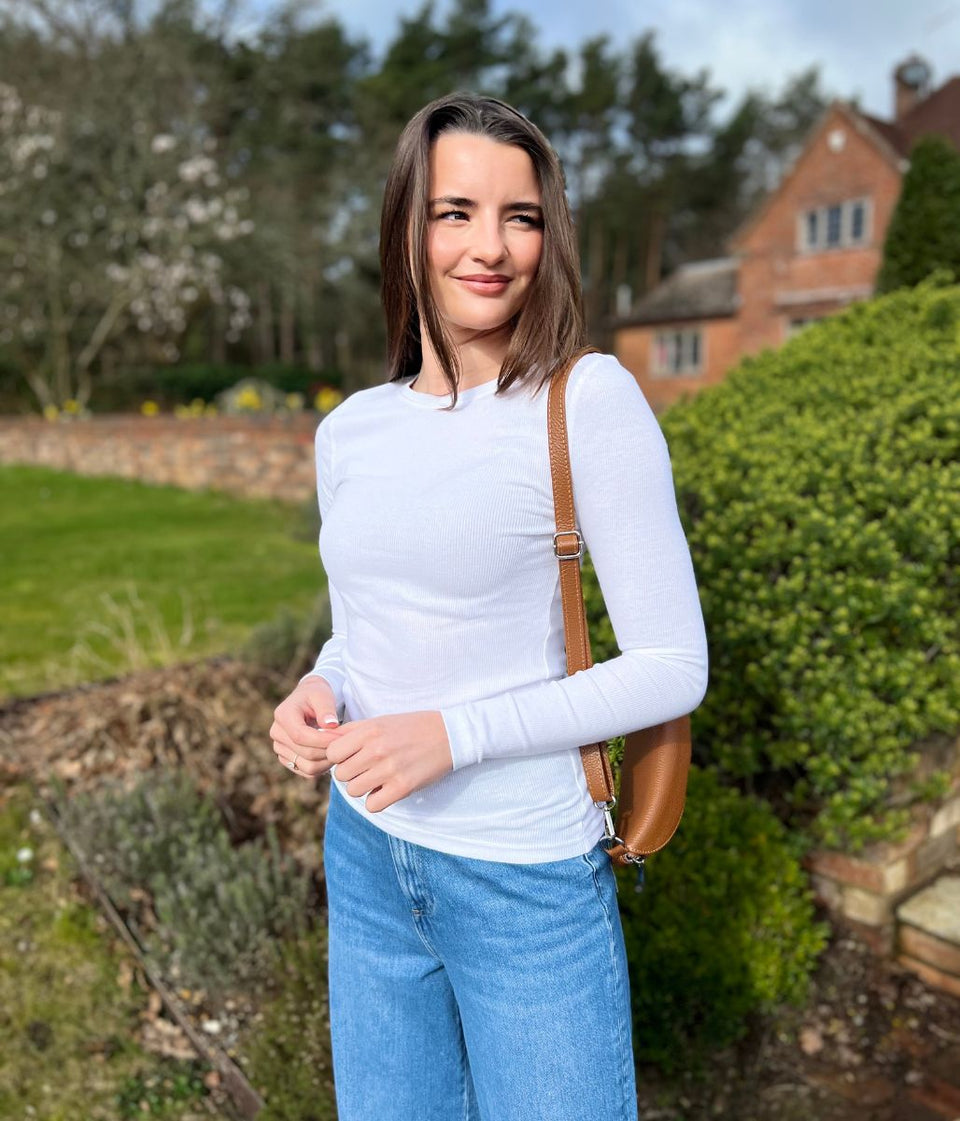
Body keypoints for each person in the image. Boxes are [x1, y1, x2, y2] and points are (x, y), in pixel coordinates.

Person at [269, 91, 708, 1121]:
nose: (492, 245)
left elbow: (671, 664)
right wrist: (319, 683)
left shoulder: (583, 400)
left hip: (525, 881)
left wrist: (451, 737)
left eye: (523, 216)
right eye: (455, 211)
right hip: (367, 853)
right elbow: (362, 623)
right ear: (407, 226)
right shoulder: (351, 430)